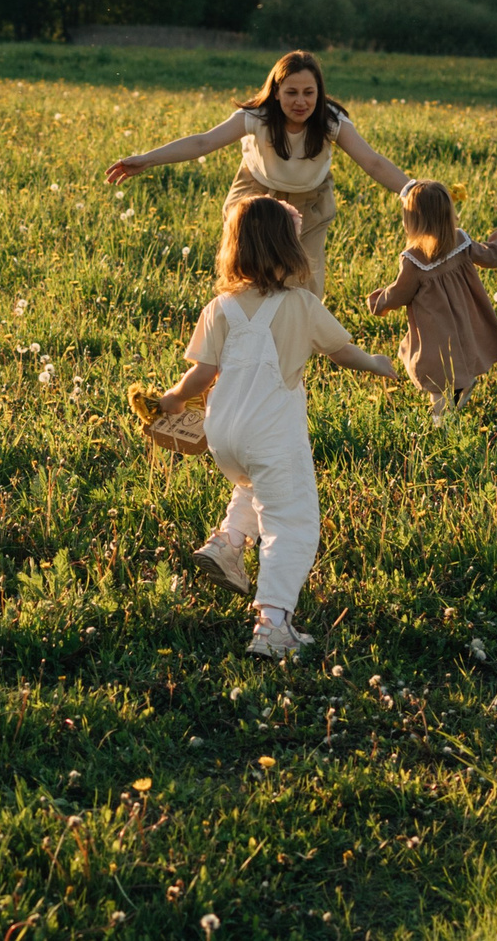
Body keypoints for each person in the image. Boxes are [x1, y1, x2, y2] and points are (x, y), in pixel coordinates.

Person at [135, 194, 399, 656]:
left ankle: (228, 542)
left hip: (223, 436)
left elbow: (201, 373)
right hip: (272, 434)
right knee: (291, 519)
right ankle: (273, 624)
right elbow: (342, 352)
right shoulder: (301, 304)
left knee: (255, 485)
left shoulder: (221, 307)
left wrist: (173, 399)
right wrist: (376, 363)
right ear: (289, 250)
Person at [103, 50, 408, 296]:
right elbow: (204, 141)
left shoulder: (331, 121)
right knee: (249, 274)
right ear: (275, 92)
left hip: (310, 201)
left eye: (308, 92)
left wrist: (413, 191)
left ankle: (294, 348)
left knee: (303, 284)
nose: (300, 101)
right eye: (291, 92)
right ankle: (237, 332)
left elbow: (373, 162)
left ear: (319, 92)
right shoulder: (256, 117)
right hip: (257, 195)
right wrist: (147, 159)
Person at [366, 180, 497, 424]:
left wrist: (378, 302)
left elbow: (400, 293)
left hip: (434, 326)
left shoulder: (413, 259)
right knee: (462, 353)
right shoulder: (460, 241)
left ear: (413, 221)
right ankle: (460, 393)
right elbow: (490, 256)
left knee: (435, 370)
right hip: (465, 316)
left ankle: (441, 422)